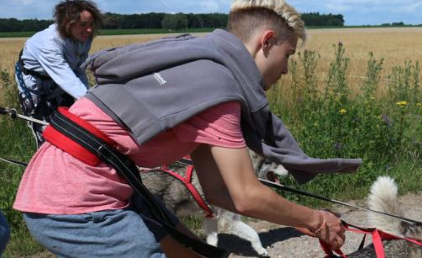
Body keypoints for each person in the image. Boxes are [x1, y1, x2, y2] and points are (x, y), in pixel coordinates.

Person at [13, 0, 361, 257]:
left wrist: (296, 218)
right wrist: (317, 220)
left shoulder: (197, 67)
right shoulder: (220, 89)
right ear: (266, 42)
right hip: (74, 204)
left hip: (71, 186)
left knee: (197, 253)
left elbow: (221, 193)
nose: (286, 70)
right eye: (288, 55)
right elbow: (245, 194)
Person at [14, 0, 102, 149]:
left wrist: (89, 99)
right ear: (68, 24)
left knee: (70, 123)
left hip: (60, 81)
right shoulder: (49, 44)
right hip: (36, 83)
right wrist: (93, 104)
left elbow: (78, 70)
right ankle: (46, 167)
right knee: (46, 131)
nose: (89, 30)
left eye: (91, 24)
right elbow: (67, 79)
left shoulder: (84, 38)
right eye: (83, 25)